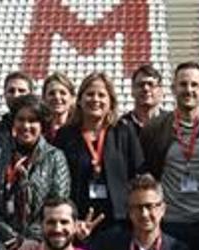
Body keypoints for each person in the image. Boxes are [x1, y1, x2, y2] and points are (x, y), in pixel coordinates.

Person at [139, 61, 199, 250]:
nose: (188, 90)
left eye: (194, 85)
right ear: (173, 89)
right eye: (183, 85)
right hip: (172, 223)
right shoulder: (154, 128)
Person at [54, 72, 145, 240]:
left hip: (120, 221)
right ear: (79, 100)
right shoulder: (65, 136)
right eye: (89, 94)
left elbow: (138, 175)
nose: (95, 99)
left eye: (101, 95)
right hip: (77, 223)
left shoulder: (124, 131)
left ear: (111, 102)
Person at [0, 94, 70, 250]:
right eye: (21, 119)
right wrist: (12, 238)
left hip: (41, 245)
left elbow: (57, 201)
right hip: (1, 245)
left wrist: (33, 237)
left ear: (42, 124)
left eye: (32, 120)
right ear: (13, 122)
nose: (26, 125)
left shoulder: (55, 157)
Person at [0, 72, 34, 156]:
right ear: (4, 95)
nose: (16, 95)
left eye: (21, 91)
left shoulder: (44, 129)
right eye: (11, 91)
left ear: (31, 94)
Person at [120, 64, 164, 135]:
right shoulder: (120, 127)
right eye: (141, 84)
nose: (146, 89)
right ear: (132, 90)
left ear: (160, 91)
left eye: (150, 84)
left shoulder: (172, 125)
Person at [42, 72, 75, 143]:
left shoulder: (79, 128)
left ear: (72, 98)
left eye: (63, 93)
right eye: (51, 93)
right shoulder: (40, 129)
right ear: (44, 98)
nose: (57, 97)